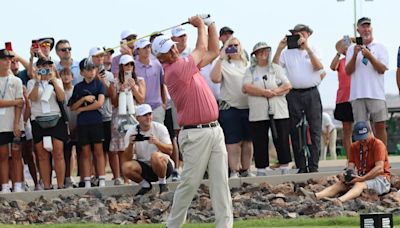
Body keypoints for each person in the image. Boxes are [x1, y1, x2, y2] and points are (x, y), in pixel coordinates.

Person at [152, 15, 233, 228]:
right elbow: (202, 47)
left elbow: (214, 51)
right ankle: (173, 225)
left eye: (173, 47)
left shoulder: (185, 65)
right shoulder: (175, 71)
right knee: (189, 184)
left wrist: (212, 23)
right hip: (195, 134)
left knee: (220, 182)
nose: (174, 50)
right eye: (168, 51)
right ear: (160, 58)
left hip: (215, 130)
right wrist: (200, 27)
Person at [273, 24, 324, 173]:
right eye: (296, 34)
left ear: (308, 34)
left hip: (311, 93)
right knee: (294, 130)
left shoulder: (314, 49)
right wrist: (279, 47)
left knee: (314, 129)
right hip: (293, 94)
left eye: (302, 33)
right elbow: (275, 67)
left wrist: (307, 48)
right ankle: (301, 165)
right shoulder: (286, 53)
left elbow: (318, 67)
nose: (299, 36)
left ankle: (313, 165)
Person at [300, 121, 391, 203]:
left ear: (370, 133)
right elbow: (350, 167)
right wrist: (347, 176)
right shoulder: (354, 147)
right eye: (360, 138)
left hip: (381, 180)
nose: (363, 140)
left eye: (365, 137)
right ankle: (316, 196)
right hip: (362, 177)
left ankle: (339, 200)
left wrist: (362, 178)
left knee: (359, 184)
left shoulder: (378, 144)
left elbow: (379, 169)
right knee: (341, 183)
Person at [242, 42, 292, 176]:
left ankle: (284, 166)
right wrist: (264, 92)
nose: (264, 54)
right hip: (258, 112)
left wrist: (274, 91)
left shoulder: (276, 68)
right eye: (260, 52)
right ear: (255, 55)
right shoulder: (250, 70)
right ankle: (261, 169)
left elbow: (287, 85)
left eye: (266, 51)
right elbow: (246, 87)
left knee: (281, 138)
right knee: (260, 140)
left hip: (278, 110)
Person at [210, 36, 253, 178]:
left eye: (236, 45)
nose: (233, 48)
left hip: (248, 107)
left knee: (248, 141)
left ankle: (246, 169)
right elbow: (215, 78)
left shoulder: (248, 65)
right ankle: (234, 169)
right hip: (230, 108)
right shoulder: (223, 64)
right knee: (233, 142)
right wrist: (221, 57)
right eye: (230, 45)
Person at [345, 17, 389, 145]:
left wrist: (369, 56)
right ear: (358, 30)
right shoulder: (351, 49)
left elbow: (382, 69)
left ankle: (382, 158)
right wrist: (354, 54)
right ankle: (364, 159)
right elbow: (348, 71)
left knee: (380, 125)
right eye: (363, 27)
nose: (366, 29)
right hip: (358, 94)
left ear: (371, 28)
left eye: (368, 26)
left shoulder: (380, 47)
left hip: (376, 93)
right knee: (361, 129)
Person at [27, 58, 67, 189]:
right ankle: (47, 185)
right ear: (37, 68)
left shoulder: (57, 81)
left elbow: (61, 98)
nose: (46, 68)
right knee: (42, 154)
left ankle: (60, 185)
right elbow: (32, 98)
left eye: (49, 66)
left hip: (56, 118)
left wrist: (54, 80)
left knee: (58, 152)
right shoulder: (31, 82)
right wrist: (38, 81)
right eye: (43, 66)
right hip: (38, 119)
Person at [69, 58, 106, 188]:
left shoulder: (99, 84)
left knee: (98, 150)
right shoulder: (78, 87)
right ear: (82, 72)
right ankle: (87, 179)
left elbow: (99, 103)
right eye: (88, 69)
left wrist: (82, 109)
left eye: (93, 68)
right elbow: (72, 107)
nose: (91, 72)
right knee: (85, 152)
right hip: (83, 123)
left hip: (96, 121)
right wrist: (84, 99)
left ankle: (101, 178)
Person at [122, 104, 173, 195]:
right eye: (145, 115)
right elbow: (126, 159)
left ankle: (163, 184)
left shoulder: (160, 127)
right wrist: (130, 144)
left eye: (150, 114)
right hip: (144, 167)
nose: (148, 117)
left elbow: (170, 150)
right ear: (138, 118)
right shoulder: (132, 131)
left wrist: (157, 142)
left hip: (163, 166)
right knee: (126, 167)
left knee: (155, 156)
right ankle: (145, 185)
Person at [110, 54, 145, 184]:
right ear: (121, 66)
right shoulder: (114, 82)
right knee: (121, 147)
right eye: (126, 64)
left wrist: (133, 87)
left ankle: (137, 175)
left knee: (135, 145)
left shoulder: (140, 80)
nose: (129, 67)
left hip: (134, 116)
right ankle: (125, 178)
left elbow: (141, 99)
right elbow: (113, 102)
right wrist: (120, 90)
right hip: (119, 117)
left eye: (131, 64)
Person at [88, 47, 120, 185]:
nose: (100, 58)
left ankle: (116, 177)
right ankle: (96, 175)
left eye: (101, 56)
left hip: (107, 116)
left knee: (111, 149)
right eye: (97, 56)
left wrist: (100, 82)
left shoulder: (108, 75)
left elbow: (110, 94)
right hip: (93, 117)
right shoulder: (86, 74)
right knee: (96, 150)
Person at [0, 49, 25, 193]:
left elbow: (20, 103)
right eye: (4, 59)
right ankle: (4, 186)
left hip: (14, 123)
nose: (8, 61)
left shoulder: (16, 80)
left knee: (16, 155)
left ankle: (18, 185)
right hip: (1, 125)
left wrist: (16, 123)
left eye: (9, 59)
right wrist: (13, 102)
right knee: (2, 155)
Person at [330, 37, 355, 159]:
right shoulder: (341, 62)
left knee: (364, 128)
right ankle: (350, 159)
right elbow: (332, 66)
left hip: (357, 97)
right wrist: (339, 52)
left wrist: (354, 41)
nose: (346, 47)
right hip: (344, 99)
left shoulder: (358, 58)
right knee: (347, 130)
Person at [134, 38, 166, 123]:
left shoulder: (157, 64)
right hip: (140, 109)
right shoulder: (133, 66)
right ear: (138, 50)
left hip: (157, 107)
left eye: (148, 47)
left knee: (159, 135)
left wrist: (164, 103)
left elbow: (162, 84)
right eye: (144, 47)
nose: (147, 50)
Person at [60, 67, 78, 188]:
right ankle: (66, 177)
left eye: (68, 74)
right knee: (66, 152)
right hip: (64, 125)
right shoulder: (59, 91)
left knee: (78, 152)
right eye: (63, 74)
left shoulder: (75, 90)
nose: (66, 77)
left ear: (72, 77)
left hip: (76, 123)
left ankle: (77, 176)